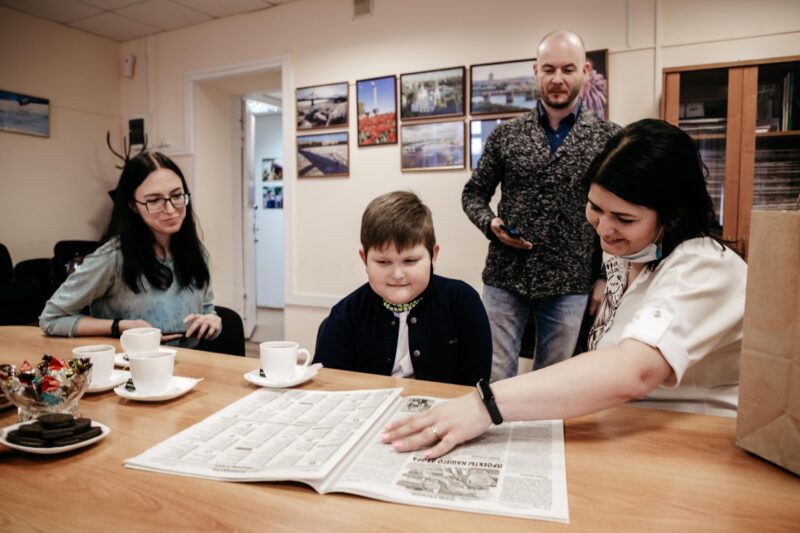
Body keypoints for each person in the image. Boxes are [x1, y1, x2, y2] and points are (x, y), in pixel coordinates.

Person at [381, 119, 748, 458]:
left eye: (624, 218)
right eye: (595, 208)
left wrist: (486, 403)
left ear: (674, 216)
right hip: (626, 431)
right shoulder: (628, 253)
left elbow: (633, 371)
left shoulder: (704, 267)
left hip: (696, 444)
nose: (603, 229)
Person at [462, 29, 620, 380]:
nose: (558, 79)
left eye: (568, 69)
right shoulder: (507, 135)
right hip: (505, 276)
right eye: (549, 69)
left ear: (586, 70)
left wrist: (601, 277)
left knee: (553, 380)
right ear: (536, 72)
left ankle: (540, 438)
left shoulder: (609, 138)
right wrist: (491, 223)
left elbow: (615, 217)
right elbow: (473, 193)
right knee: (496, 372)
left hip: (570, 281)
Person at [40, 152, 221, 346]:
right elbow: (50, 319)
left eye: (176, 195)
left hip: (188, 369)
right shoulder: (113, 258)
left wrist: (213, 321)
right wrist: (119, 326)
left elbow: (208, 309)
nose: (170, 209)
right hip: (129, 369)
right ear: (133, 205)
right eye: (154, 200)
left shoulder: (195, 251)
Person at [315, 191, 492, 386]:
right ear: (364, 259)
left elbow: (475, 386)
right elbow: (328, 387)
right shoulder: (345, 314)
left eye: (410, 261)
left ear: (433, 256)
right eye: (383, 262)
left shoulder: (463, 303)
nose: (397, 274)